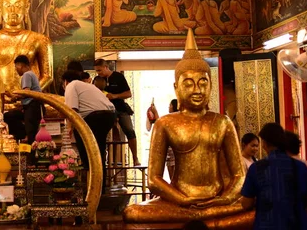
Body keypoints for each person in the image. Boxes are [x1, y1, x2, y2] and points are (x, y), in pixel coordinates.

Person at [124, 29, 253, 227]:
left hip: (217, 199)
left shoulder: (222, 122)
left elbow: (239, 175)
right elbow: (154, 179)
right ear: (176, 88)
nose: (197, 90)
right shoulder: (165, 123)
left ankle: (201, 219)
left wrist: (225, 199)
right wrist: (182, 200)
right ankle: (208, 221)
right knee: (132, 213)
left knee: (256, 207)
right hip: (179, 200)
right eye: (189, 84)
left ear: (210, 85)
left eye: (203, 83)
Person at [241, 123, 307, 229]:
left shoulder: (256, 168)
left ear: (264, 143)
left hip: (266, 225)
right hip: (299, 224)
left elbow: (246, 204)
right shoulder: (300, 166)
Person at [62, 70, 116, 175]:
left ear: (65, 81)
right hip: (110, 115)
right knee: (98, 152)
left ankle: (88, 171)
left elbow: (72, 111)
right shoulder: (88, 85)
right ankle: (100, 186)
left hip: (95, 117)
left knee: (85, 144)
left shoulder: (71, 85)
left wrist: (69, 128)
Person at [94, 59, 140, 166]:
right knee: (104, 135)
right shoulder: (97, 80)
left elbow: (128, 94)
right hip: (105, 111)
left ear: (106, 67)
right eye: (97, 71)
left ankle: (135, 158)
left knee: (129, 131)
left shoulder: (118, 77)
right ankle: (103, 160)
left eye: (100, 70)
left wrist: (115, 96)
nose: (98, 73)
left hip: (121, 109)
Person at [10, 55, 43, 144]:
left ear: (21, 65)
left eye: (16, 67)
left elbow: (27, 92)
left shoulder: (27, 75)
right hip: (33, 106)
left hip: (32, 106)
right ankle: (24, 135)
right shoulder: (32, 74)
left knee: (31, 133)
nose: (16, 70)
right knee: (11, 115)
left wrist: (15, 97)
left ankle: (30, 152)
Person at [166, 99, 179, 179]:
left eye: (170, 105)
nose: (169, 107)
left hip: (174, 150)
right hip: (170, 151)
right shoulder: (170, 118)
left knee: (174, 175)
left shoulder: (174, 119)